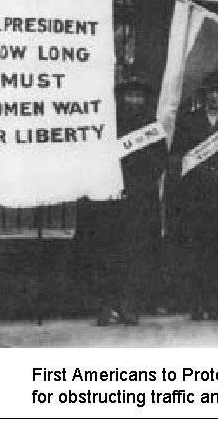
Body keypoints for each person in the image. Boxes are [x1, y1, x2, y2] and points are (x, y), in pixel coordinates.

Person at [77, 76, 167, 326]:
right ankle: (106, 305)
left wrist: (136, 184)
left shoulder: (152, 127)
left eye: (139, 96)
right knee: (107, 254)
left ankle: (128, 305)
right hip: (110, 202)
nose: (134, 100)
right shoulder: (107, 125)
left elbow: (159, 161)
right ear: (121, 97)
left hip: (138, 202)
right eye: (130, 95)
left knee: (134, 255)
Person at [167, 72, 218, 321]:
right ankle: (196, 301)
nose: (215, 97)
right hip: (196, 194)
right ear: (203, 96)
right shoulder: (188, 121)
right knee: (196, 249)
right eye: (211, 92)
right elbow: (178, 156)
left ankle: (214, 301)